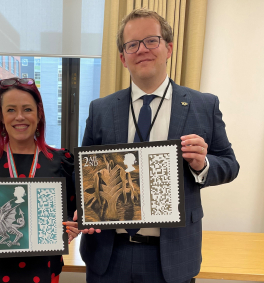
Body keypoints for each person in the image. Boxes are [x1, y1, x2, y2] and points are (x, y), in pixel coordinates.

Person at [79, 8, 239, 283]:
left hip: (173, 258)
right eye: (132, 44)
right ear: (123, 57)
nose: (142, 50)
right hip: (108, 255)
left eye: (151, 40)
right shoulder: (101, 109)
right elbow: (82, 175)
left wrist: (203, 165)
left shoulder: (204, 105)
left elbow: (229, 164)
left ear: (169, 48)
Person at [0, 77, 78, 283]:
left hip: (41, 271)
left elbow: (72, 215)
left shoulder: (61, 162)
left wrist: (74, 227)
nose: (20, 117)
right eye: (11, 110)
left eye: (27, 109)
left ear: (39, 114)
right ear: (1, 117)